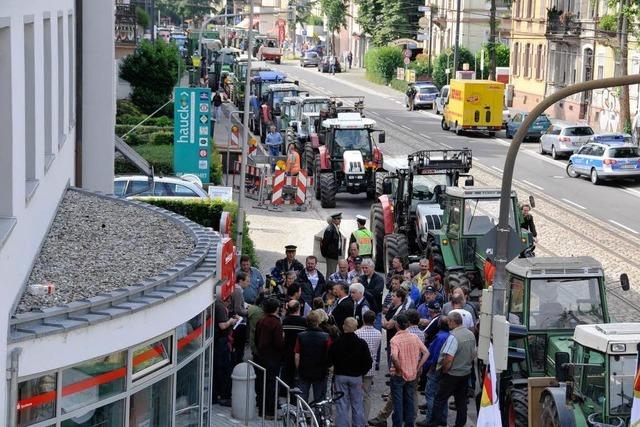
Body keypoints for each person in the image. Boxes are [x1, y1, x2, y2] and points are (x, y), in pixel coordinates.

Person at [428, 312, 477, 427]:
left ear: (452, 322)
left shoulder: (453, 337)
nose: (448, 323)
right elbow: (473, 353)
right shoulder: (470, 334)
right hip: (465, 373)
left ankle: (433, 423)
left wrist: (445, 370)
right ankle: (460, 424)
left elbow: (448, 358)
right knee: (461, 402)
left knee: (439, 399)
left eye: (449, 321)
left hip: (452, 374)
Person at [330, 317, 373, 427]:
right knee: (357, 404)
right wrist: (361, 372)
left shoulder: (337, 342)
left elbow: (329, 359)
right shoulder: (361, 343)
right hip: (356, 377)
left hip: (340, 375)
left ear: (344, 327)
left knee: (341, 404)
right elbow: (368, 361)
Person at [415, 317, 450, 427]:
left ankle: (431, 419)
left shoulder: (439, 337)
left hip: (436, 368)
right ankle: (442, 418)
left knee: (430, 394)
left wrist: (425, 367)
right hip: (445, 369)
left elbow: (433, 355)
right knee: (442, 395)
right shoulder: (450, 336)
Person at [255, 298, 285, 419]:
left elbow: (256, 338)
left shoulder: (261, 321)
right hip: (273, 358)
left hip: (261, 356)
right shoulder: (275, 323)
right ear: (276, 308)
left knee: (262, 383)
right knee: (271, 386)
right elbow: (279, 343)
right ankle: (270, 412)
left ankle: (262, 410)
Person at [295, 310, 333, 403]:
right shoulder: (326, 337)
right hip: (320, 370)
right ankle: (319, 416)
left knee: (302, 396)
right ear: (318, 322)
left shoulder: (301, 336)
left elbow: (297, 355)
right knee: (320, 398)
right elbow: (330, 354)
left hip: (304, 369)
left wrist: (298, 368)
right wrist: (329, 367)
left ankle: (303, 415)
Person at [213, 292, 239, 406]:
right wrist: (231, 321)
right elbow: (223, 325)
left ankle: (217, 395)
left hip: (219, 342)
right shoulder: (220, 307)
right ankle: (223, 396)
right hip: (221, 343)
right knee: (223, 370)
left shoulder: (217, 304)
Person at [355, 310, 382, 421]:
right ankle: (364, 419)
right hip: (370, 367)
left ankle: (356, 418)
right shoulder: (378, 334)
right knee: (366, 394)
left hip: (357, 367)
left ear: (363, 319)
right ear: (374, 321)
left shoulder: (357, 333)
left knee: (356, 394)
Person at [360, 258, 385, 368]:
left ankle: (376, 361)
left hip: (376, 312)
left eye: (366, 268)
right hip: (364, 312)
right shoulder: (361, 278)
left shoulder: (379, 279)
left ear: (372, 268)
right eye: (363, 268)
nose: (364, 270)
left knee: (377, 336)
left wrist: (364, 291)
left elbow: (376, 292)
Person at [282, 300, 308, 390]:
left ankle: (285, 390)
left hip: (287, 351)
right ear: (298, 308)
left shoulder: (285, 321)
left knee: (286, 373)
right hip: (300, 352)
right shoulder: (304, 322)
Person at [230, 272, 250, 365]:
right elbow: (238, 309)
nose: (248, 283)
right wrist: (249, 312)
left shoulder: (237, 290)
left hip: (238, 322)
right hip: (239, 324)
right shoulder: (238, 292)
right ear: (241, 281)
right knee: (239, 346)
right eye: (247, 281)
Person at [321, 212, 343, 277]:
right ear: (333, 220)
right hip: (331, 255)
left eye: (340, 219)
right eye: (338, 219)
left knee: (332, 272)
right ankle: (329, 286)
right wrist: (326, 254)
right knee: (331, 273)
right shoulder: (330, 229)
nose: (340, 220)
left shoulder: (335, 228)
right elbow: (325, 243)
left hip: (334, 255)